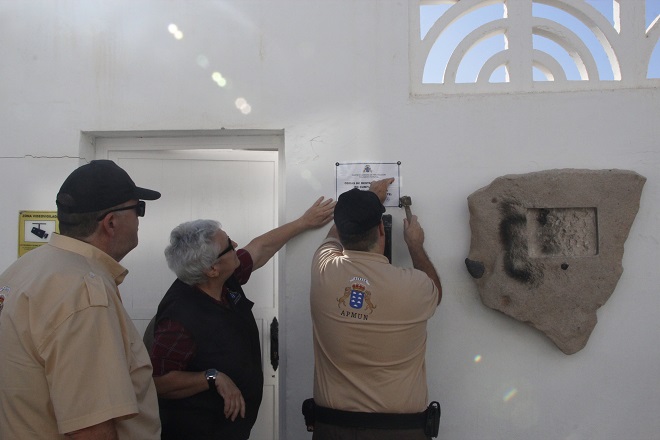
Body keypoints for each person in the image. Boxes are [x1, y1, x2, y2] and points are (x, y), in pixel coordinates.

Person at [149, 196, 336, 440]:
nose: (236, 244)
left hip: (230, 430)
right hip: (198, 432)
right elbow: (158, 381)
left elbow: (260, 249)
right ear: (212, 269)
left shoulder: (225, 279)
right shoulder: (179, 317)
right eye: (229, 245)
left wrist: (303, 222)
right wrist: (212, 377)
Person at [0, 160, 162, 439]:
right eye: (139, 209)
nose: (139, 220)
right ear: (111, 223)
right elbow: (91, 428)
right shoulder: (84, 292)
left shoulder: (24, 269)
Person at [308, 178, 442, 440]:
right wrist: (415, 245)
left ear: (342, 232)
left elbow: (333, 236)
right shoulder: (414, 286)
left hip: (332, 429)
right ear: (382, 229)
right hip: (399, 431)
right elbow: (435, 291)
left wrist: (367, 201)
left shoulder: (323, 269)